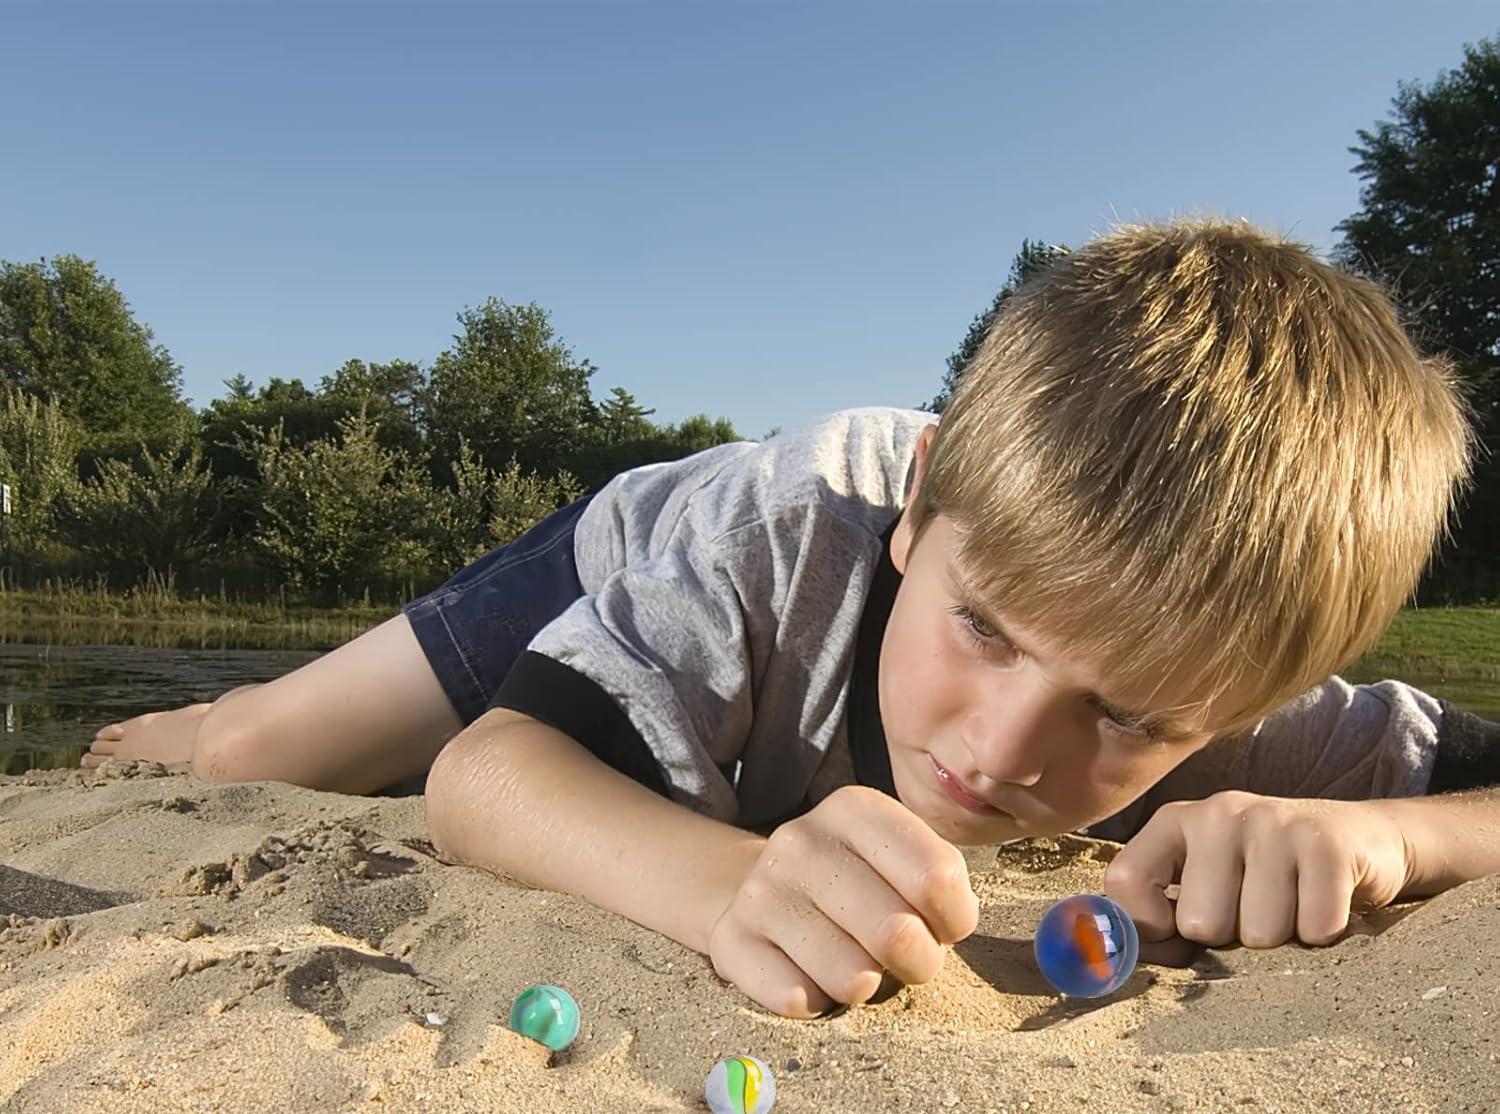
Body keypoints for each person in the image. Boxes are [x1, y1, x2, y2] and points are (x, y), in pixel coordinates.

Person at [84, 216, 1500, 1018]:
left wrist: (1394, 834)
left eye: (1126, 714)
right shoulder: (777, 539)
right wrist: (722, 882)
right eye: (988, 629)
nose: (1004, 749)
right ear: (927, 501)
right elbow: (490, 777)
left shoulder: (1248, 668)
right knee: (261, 755)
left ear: (1255, 701)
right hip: (634, 554)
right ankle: (191, 716)